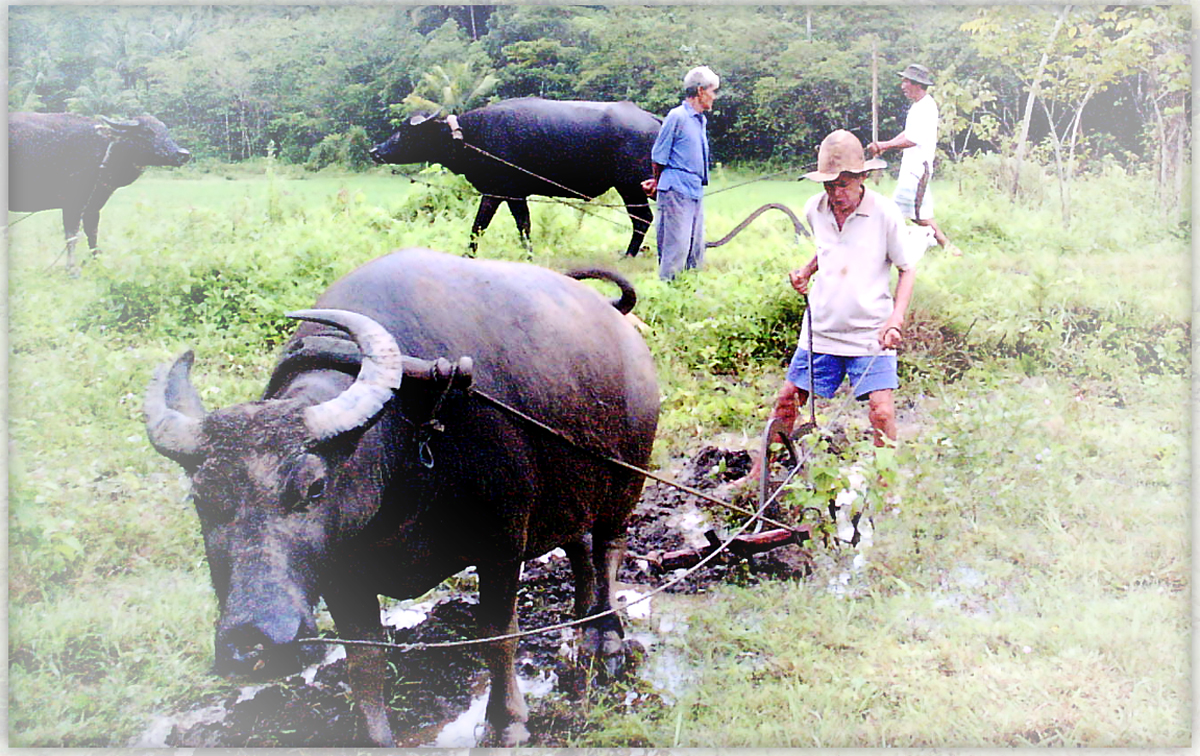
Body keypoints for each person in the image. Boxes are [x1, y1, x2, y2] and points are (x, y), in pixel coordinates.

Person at [748, 129, 917, 483]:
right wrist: (806, 271)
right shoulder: (815, 208)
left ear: (862, 178)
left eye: (843, 184)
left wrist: (896, 319)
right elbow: (829, 249)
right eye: (829, 185)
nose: (836, 194)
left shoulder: (885, 214)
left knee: (882, 412)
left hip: (870, 331)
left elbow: (907, 268)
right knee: (787, 400)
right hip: (821, 329)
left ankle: (884, 487)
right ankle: (758, 477)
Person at [867, 63, 955, 253]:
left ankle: (946, 247)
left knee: (912, 214)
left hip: (917, 170)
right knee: (915, 214)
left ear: (917, 84)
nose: (903, 86)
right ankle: (941, 246)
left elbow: (912, 140)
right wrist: (885, 145)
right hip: (912, 170)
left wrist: (884, 145)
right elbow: (908, 133)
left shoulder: (926, 108)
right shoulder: (918, 106)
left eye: (906, 82)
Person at [641, 66, 718, 281]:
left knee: (695, 248)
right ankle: (669, 290)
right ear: (700, 91)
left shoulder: (700, 120)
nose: (714, 96)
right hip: (676, 189)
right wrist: (658, 183)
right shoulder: (677, 116)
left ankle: (690, 290)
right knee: (676, 248)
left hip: (695, 190)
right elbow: (659, 156)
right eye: (712, 91)